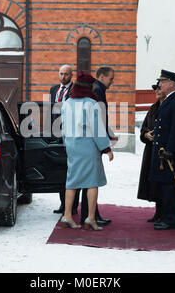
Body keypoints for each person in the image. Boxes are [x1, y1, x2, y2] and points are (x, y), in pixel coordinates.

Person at [60, 71, 114, 231]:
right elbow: (96, 128)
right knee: (92, 182)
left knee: (72, 181)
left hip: (72, 145)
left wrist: (67, 144)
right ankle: (90, 218)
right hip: (88, 146)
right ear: (89, 87)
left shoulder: (67, 102)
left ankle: (67, 215)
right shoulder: (91, 104)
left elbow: (62, 128)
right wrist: (106, 148)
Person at [76, 66, 116, 227]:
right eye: (111, 78)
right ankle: (89, 215)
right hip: (92, 142)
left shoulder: (98, 89)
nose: (112, 81)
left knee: (89, 180)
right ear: (102, 76)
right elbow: (98, 118)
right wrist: (104, 143)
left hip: (91, 140)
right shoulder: (98, 90)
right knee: (91, 181)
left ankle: (93, 214)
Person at [148, 69, 175, 231]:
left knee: (170, 186)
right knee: (164, 185)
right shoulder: (169, 100)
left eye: (162, 82)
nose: (159, 85)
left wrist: (170, 150)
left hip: (169, 153)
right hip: (162, 151)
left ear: (172, 84)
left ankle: (172, 219)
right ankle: (166, 216)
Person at [49, 64, 79, 215]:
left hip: (70, 134)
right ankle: (63, 204)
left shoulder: (75, 90)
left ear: (71, 76)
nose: (63, 77)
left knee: (72, 171)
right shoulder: (54, 89)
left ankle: (72, 206)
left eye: (66, 74)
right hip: (56, 134)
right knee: (60, 171)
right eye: (61, 74)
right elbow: (51, 110)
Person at [137, 81, 167, 223]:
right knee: (153, 182)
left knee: (161, 183)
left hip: (161, 151)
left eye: (158, 89)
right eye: (155, 90)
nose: (156, 92)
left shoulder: (168, 106)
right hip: (150, 150)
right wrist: (146, 135)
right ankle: (158, 212)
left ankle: (163, 213)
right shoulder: (153, 108)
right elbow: (143, 128)